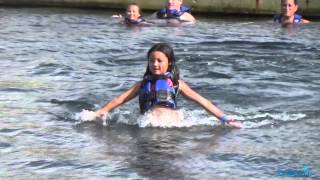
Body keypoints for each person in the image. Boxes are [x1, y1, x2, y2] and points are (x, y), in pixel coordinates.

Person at [91, 43, 242, 128]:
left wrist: (224, 118)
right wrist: (99, 112)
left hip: (172, 127)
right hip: (148, 125)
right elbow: (119, 100)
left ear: (169, 62)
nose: (155, 64)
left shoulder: (177, 84)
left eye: (159, 60)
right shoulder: (141, 85)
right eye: (151, 60)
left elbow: (203, 102)